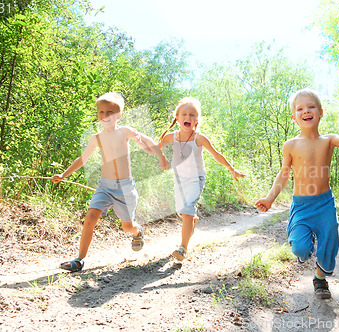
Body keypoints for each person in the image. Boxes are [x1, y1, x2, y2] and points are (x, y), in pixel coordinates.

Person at [255, 88, 339, 299]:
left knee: (329, 243)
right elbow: (283, 175)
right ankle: (304, 250)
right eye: (300, 109)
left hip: (324, 204)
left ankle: (320, 278)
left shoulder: (329, 140)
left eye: (311, 107)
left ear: (321, 112)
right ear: (294, 117)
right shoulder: (291, 145)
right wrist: (270, 198)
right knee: (300, 248)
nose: (306, 111)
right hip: (302, 205)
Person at [52, 92, 168, 272]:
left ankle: (137, 232)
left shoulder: (125, 131)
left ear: (119, 115)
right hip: (104, 186)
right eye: (101, 112)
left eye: (109, 112)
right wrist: (64, 174)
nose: (105, 116)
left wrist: (160, 156)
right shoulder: (96, 138)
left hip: (125, 188)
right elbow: (82, 159)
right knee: (90, 217)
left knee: (127, 226)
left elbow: (146, 142)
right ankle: (79, 259)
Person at [158, 97, 245, 261]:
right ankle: (192, 220)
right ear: (177, 118)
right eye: (184, 114)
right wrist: (161, 159)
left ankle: (182, 249)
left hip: (196, 179)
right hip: (179, 181)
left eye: (192, 115)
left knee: (187, 210)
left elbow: (216, 154)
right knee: (183, 213)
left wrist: (231, 169)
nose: (188, 117)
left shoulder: (199, 138)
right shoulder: (171, 137)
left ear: (197, 120)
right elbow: (156, 148)